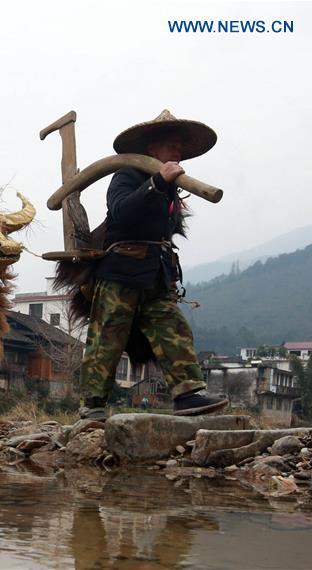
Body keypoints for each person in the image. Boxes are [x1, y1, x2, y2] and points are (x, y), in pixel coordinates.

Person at [79, 110, 228, 420]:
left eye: (179, 147)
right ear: (152, 149)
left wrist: (165, 185)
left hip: (157, 275)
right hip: (121, 272)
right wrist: (158, 182)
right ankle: (92, 405)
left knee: (173, 329)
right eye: (171, 146)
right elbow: (121, 212)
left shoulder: (173, 189)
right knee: (107, 338)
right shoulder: (127, 175)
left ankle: (187, 393)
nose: (177, 152)